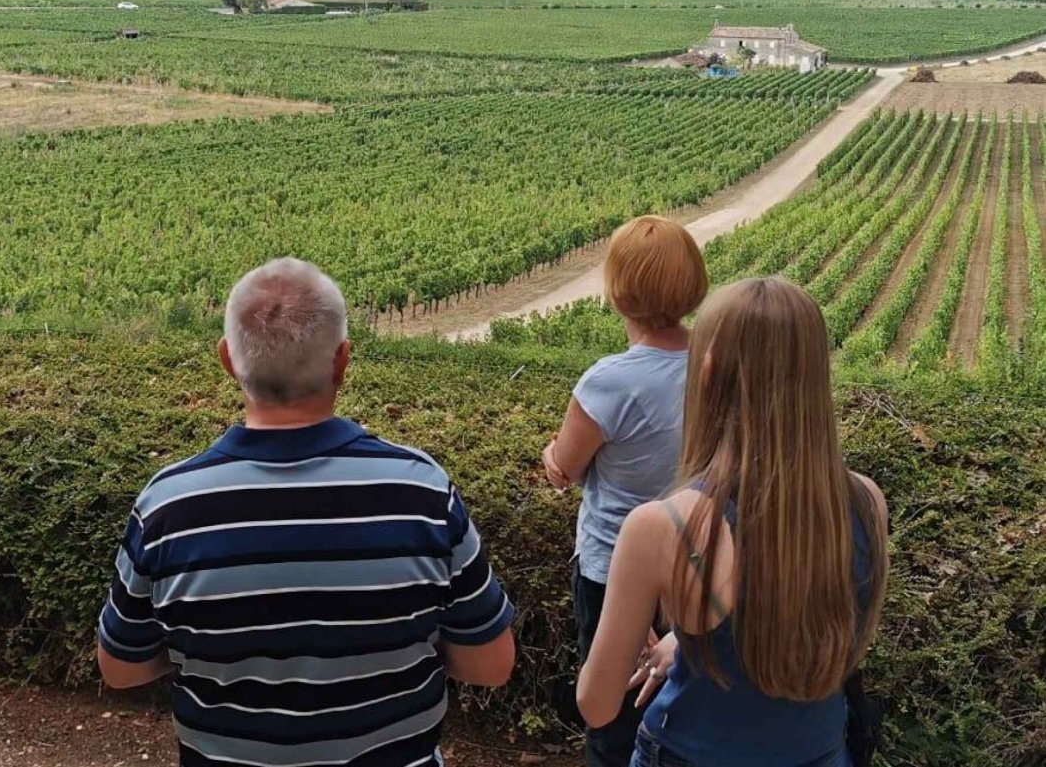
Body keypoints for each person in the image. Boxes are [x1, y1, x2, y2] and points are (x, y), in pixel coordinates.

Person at [97, 257, 517, 767]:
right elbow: (491, 665)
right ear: (342, 361)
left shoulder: (168, 506)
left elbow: (120, 668)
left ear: (227, 359)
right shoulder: (422, 492)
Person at [577, 278, 890, 767]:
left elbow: (597, 705)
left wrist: (662, 637)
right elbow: (791, 618)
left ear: (707, 372)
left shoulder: (664, 526)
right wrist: (689, 643)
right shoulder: (866, 501)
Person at [541, 215, 707, 767]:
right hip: (703, 568)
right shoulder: (717, 365)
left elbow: (566, 467)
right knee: (685, 712)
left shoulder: (608, 381)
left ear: (617, 291)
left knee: (611, 715)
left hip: (614, 571)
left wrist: (550, 458)